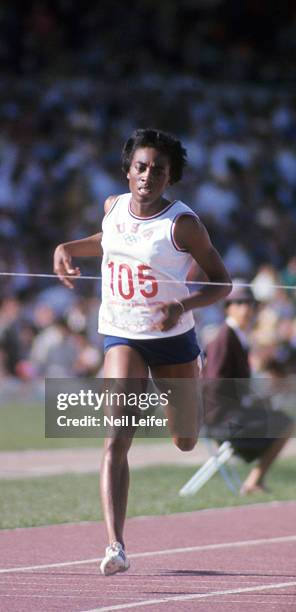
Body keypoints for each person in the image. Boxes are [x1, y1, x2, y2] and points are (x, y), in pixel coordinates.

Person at [53, 128, 231, 575]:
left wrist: (182, 305)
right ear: (128, 170)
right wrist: (66, 248)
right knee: (116, 436)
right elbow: (107, 241)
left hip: (173, 340)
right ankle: (115, 545)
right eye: (140, 167)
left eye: (157, 170)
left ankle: (195, 376)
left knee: (185, 440)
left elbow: (222, 282)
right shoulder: (112, 207)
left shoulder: (182, 224)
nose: (147, 176)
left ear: (170, 177)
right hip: (122, 334)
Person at [203, 281, 294, 495]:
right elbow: (214, 384)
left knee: (284, 420)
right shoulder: (224, 338)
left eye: (251, 303)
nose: (247, 308)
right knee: (285, 423)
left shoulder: (239, 337)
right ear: (228, 307)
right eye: (240, 302)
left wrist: (254, 400)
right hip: (223, 420)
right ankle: (254, 480)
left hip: (232, 414)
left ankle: (256, 480)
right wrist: (243, 402)